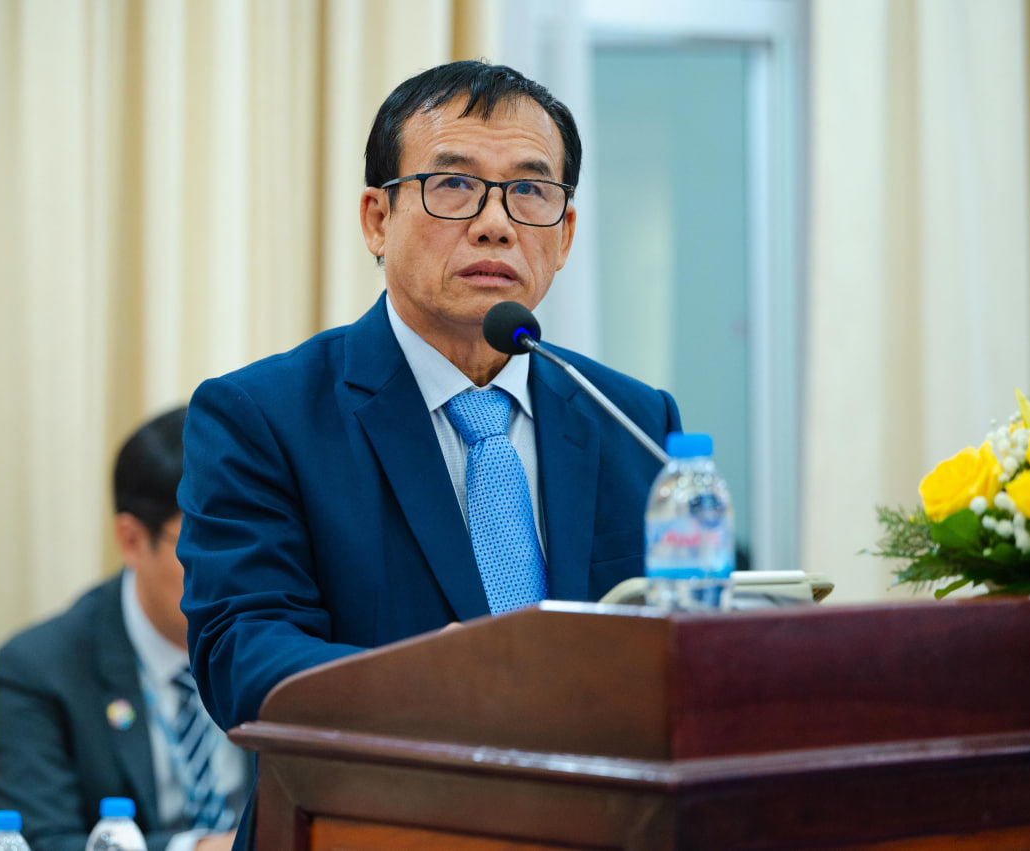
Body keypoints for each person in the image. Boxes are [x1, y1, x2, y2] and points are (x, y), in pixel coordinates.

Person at [179, 57, 680, 747]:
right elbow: (241, 654)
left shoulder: (632, 420)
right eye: (454, 184)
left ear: (564, 234)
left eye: (529, 191)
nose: (496, 224)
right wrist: (421, 683)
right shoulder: (263, 418)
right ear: (377, 219)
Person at [0, 406, 253, 851]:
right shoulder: (38, 670)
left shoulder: (285, 635)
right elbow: (42, 842)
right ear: (132, 540)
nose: (236, 568)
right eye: (208, 542)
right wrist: (202, 849)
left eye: (248, 540)